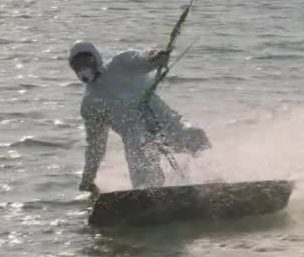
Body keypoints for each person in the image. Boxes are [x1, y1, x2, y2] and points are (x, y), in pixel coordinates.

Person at [68, 41, 211, 193]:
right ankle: (149, 201)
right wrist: (88, 178)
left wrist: (155, 56)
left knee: (195, 135)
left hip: (165, 121)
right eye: (77, 65)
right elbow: (96, 146)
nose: (83, 67)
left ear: (96, 58)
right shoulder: (90, 104)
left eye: (86, 61)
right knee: (144, 178)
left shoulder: (120, 64)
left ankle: (215, 178)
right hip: (136, 141)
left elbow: (141, 60)